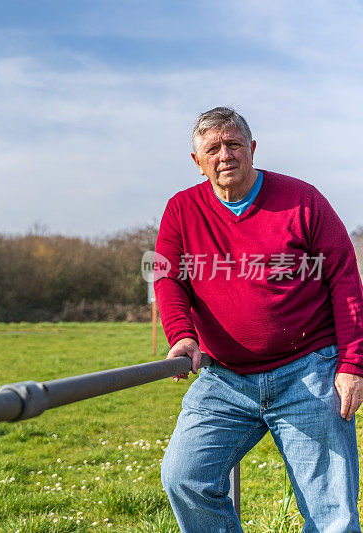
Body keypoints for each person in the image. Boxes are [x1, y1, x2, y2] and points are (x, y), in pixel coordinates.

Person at [154, 106, 363, 532]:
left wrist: (352, 364)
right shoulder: (181, 210)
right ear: (198, 163)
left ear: (252, 148)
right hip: (225, 377)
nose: (225, 154)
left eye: (233, 144)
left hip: (309, 370)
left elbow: (344, 277)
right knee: (184, 478)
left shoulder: (302, 199)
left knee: (332, 517)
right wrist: (182, 335)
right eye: (212, 148)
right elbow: (169, 277)